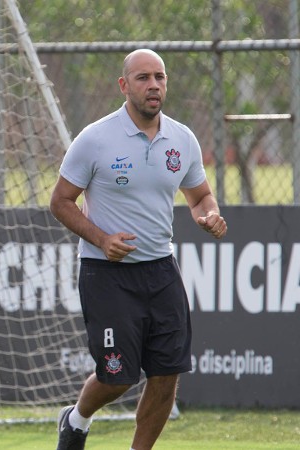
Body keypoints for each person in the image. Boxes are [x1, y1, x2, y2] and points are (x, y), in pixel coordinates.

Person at [49, 48, 227, 450]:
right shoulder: (95, 139)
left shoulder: (182, 138)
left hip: (162, 270)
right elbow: (59, 201)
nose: (154, 86)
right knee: (118, 376)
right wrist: (102, 238)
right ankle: (76, 420)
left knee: (167, 374)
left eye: (159, 77)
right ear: (123, 85)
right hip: (106, 273)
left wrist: (209, 214)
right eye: (143, 78)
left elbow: (201, 196)